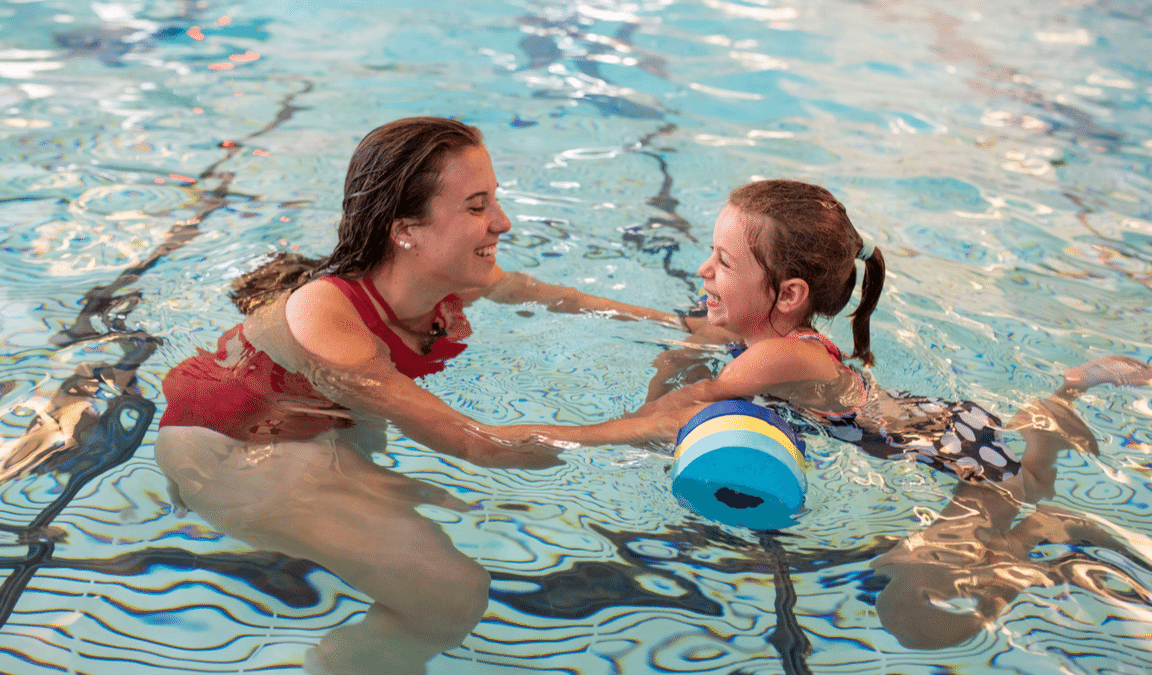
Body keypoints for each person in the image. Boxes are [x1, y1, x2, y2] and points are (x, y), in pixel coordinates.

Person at [154, 117, 691, 675]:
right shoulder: (329, 314)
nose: (502, 222)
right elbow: (478, 444)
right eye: (477, 207)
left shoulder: (449, 279)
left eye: (495, 200)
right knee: (450, 593)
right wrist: (641, 426)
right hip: (231, 455)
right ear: (406, 229)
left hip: (313, 431)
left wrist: (684, 328)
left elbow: (551, 296)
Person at [636, 178, 1152, 646]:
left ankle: (1043, 530)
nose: (705, 270)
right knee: (1028, 483)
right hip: (941, 425)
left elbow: (690, 401)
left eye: (723, 261)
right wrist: (583, 305)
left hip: (950, 450)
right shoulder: (763, 331)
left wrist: (610, 428)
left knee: (915, 619)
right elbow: (675, 330)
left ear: (788, 294)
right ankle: (1061, 402)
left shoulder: (779, 354)